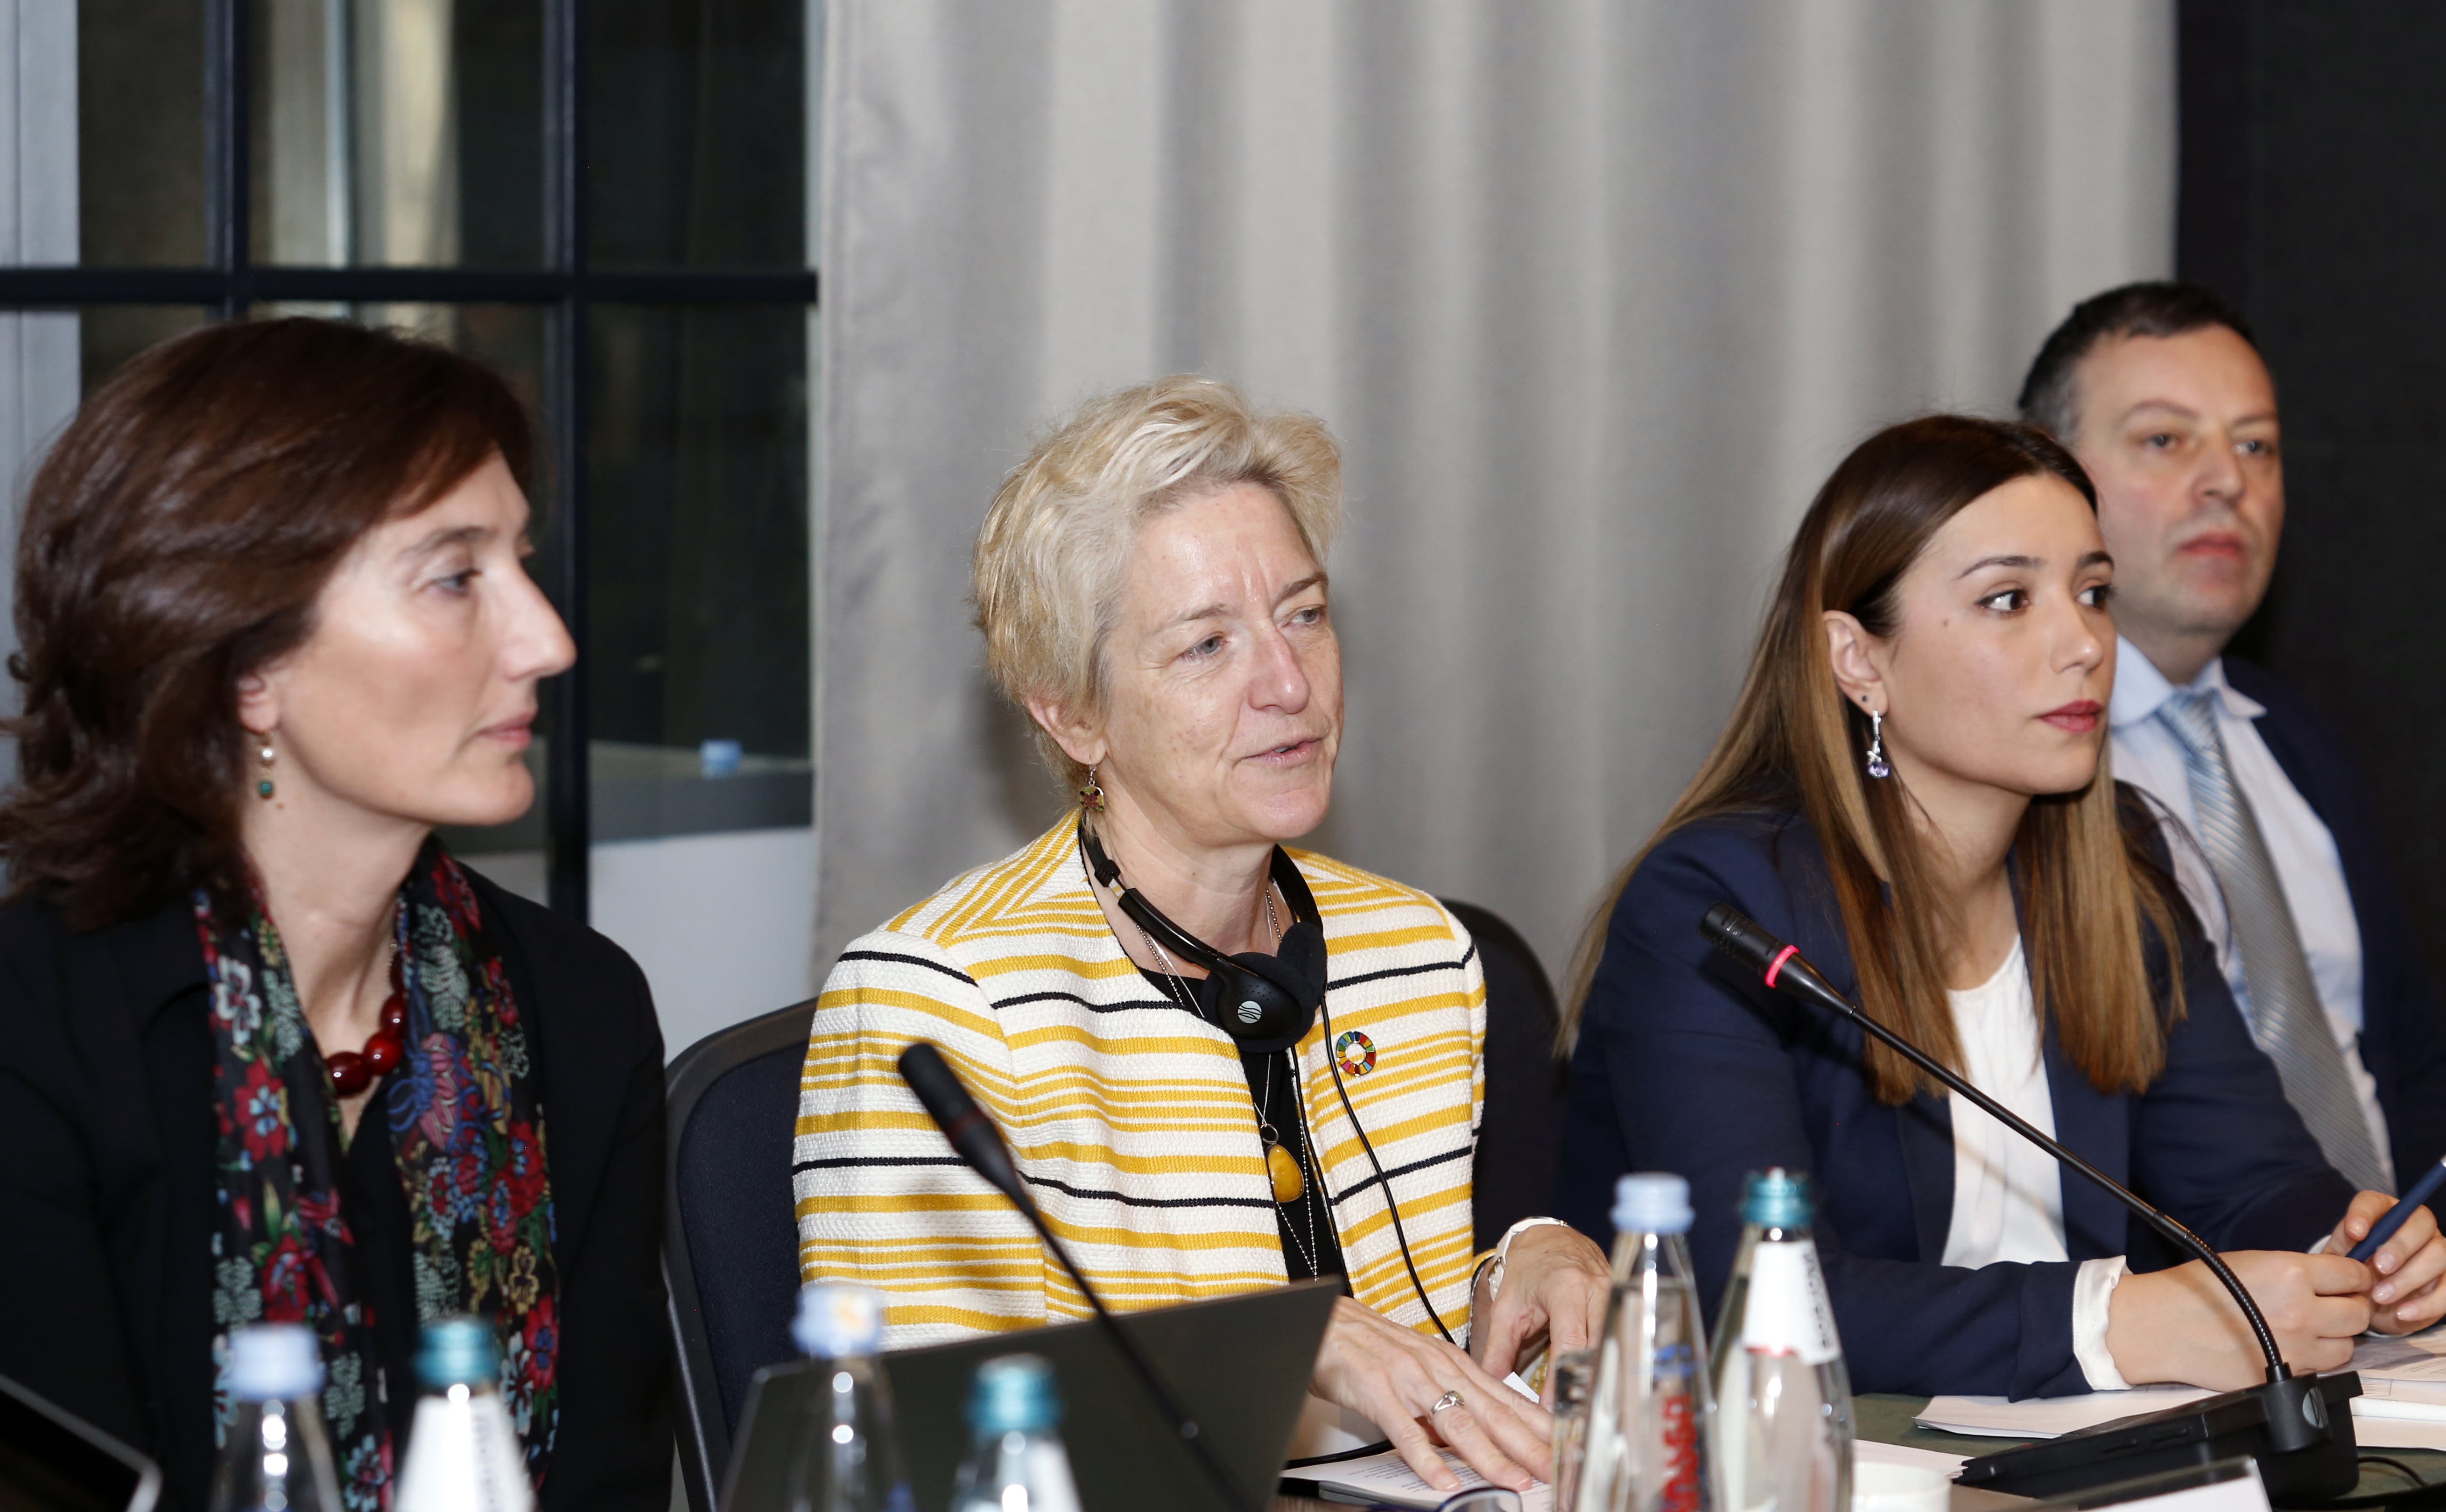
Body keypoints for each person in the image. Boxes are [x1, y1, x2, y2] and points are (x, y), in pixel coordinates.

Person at [794, 376, 1605, 1493]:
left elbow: (1418, 1351)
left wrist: (1522, 1261)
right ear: (1073, 713)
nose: (1289, 683)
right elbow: (906, 1453)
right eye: (1207, 644)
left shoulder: (1419, 954)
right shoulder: (936, 1000)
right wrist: (1271, 1351)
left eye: (1304, 614)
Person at [1554, 415, 2446, 1399]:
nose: (2083, 643)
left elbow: (2250, 1182)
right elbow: (1755, 1297)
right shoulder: (1719, 907)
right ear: (1859, 660)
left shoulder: (2121, 866)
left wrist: (2349, 1249)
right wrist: (2112, 1324)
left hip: (2068, 1451)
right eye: (2009, 600)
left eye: (2093, 592)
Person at [0, 319, 670, 1511]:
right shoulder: (16, 1038)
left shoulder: (577, 1008)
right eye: (455, 578)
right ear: (246, 662)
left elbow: (608, 1484)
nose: (548, 640)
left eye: (519, 561)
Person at [2020, 281, 2446, 1198]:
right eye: (2165, 440)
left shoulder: (2298, 738)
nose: (2227, 482)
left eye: (2256, 445)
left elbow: (2409, 1054)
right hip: (2173, 1276)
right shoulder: (2011, 765)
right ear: (2046, 476)